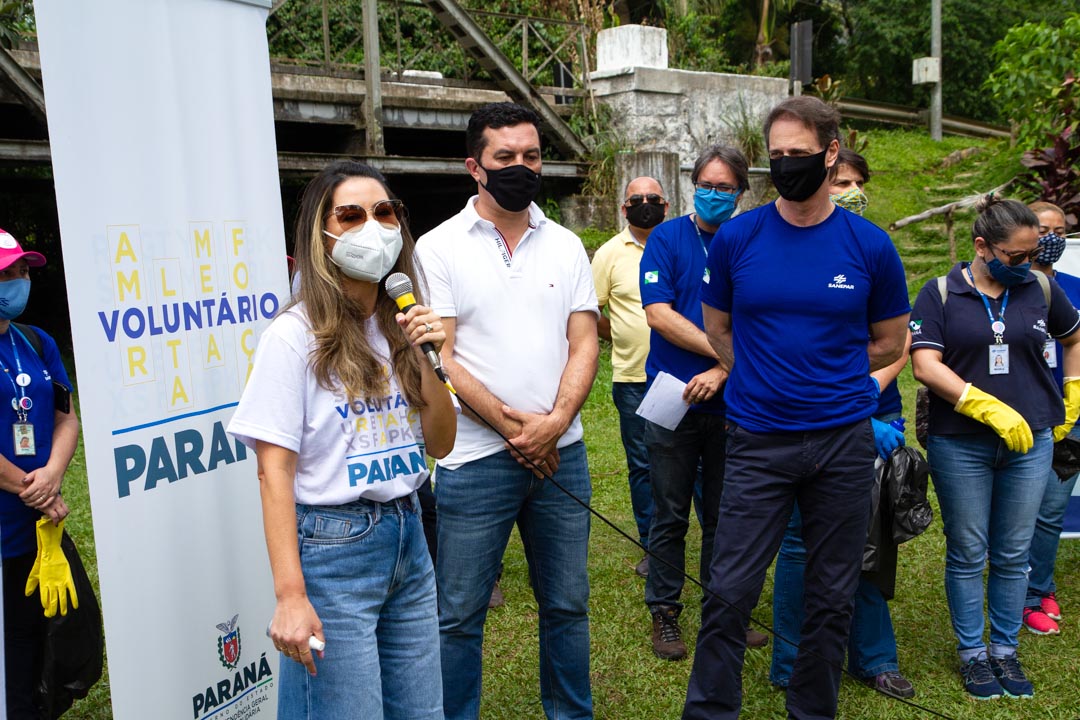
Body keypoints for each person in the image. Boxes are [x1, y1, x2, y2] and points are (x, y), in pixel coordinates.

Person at [683, 96, 910, 720]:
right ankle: (709, 712)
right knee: (729, 592)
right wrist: (762, 374)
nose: (786, 166)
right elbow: (719, 328)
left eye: (799, 155)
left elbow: (891, 341)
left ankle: (813, 711)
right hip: (757, 439)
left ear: (830, 154)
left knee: (831, 596)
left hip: (842, 442)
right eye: (776, 155)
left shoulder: (870, 246)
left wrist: (827, 378)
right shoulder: (738, 238)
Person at [227, 161, 455, 719]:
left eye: (384, 213)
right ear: (321, 235)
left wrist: (430, 359)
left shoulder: (404, 324)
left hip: (410, 536)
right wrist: (290, 596)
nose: (372, 228)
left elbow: (442, 443)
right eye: (350, 216)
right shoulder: (293, 336)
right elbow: (272, 471)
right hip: (335, 548)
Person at [416, 102, 599, 720]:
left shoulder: (568, 244)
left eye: (531, 156)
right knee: (459, 614)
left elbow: (585, 341)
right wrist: (512, 426)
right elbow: (442, 355)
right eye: (505, 157)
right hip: (474, 459)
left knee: (568, 605)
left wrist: (551, 425)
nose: (521, 167)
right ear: (475, 166)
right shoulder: (438, 248)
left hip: (561, 456)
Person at [910, 196, 1080, 700]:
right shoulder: (940, 293)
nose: (1026, 266)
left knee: (1013, 551)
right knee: (968, 550)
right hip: (961, 443)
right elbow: (924, 362)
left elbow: (1073, 337)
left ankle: (1005, 650)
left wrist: (1073, 387)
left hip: (1031, 444)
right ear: (982, 247)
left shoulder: (1041, 288)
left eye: (1032, 256)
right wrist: (980, 403)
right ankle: (973, 654)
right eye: (1016, 257)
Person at [770, 149, 916, 699]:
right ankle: (789, 661)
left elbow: (898, 341)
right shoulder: (784, 248)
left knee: (864, 539)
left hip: (871, 411)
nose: (848, 189)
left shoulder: (875, 250)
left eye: (857, 182)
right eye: (840, 181)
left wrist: (859, 396)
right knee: (798, 545)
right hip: (807, 415)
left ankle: (874, 658)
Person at [637, 145, 766, 661]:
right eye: (707, 186)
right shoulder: (668, 237)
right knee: (668, 512)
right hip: (672, 396)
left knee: (725, 514)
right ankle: (664, 612)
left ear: (741, 193)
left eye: (726, 188)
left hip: (734, 401)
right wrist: (725, 354)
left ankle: (724, 611)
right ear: (693, 186)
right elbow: (658, 314)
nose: (715, 195)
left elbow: (760, 316)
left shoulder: (751, 238)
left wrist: (723, 370)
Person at [0, 229, 80, 719]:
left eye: (22, 271)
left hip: (40, 533)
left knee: (35, 656)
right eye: (6, 273)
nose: (18, 281)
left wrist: (51, 473)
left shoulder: (36, 340)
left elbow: (65, 416)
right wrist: (38, 492)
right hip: (7, 532)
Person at [591, 176, 667, 578]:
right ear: (624, 209)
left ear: (667, 205)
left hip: (683, 378)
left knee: (702, 465)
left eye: (653, 199)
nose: (645, 204)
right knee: (643, 463)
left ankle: (715, 549)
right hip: (634, 378)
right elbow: (591, 311)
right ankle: (654, 547)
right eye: (636, 199)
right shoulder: (608, 254)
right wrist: (620, 334)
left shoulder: (679, 244)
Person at [1021, 201, 1079, 636]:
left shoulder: (1075, 288)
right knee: (1017, 511)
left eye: (1060, 229)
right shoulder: (1012, 286)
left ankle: (1039, 587)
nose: (1051, 237)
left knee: (1051, 510)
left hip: (1070, 414)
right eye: (1043, 228)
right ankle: (1019, 591)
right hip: (1021, 412)